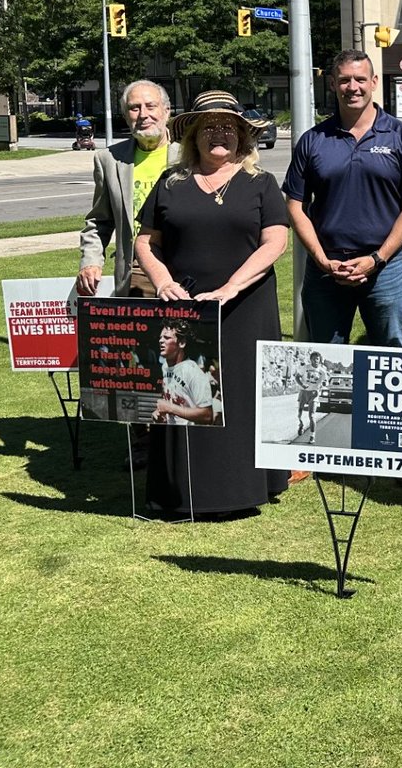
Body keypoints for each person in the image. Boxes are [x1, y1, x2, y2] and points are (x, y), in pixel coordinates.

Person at [135, 90, 290, 516]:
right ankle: (184, 493)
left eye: (227, 127)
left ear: (242, 136)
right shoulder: (172, 183)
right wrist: (163, 280)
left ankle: (248, 488)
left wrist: (231, 287)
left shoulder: (261, 183)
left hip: (245, 307)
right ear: (194, 137)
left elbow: (275, 241)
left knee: (242, 395)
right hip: (187, 310)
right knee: (187, 393)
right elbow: (146, 242)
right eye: (209, 127)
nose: (218, 134)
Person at [284, 50, 402, 347]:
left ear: (374, 82)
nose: (353, 87)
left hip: (385, 269)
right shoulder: (313, 140)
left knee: (391, 361)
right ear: (332, 85)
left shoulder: (400, 136)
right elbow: (295, 206)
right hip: (326, 272)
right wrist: (323, 260)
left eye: (360, 79)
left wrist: (377, 258)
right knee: (323, 360)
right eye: (344, 80)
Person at [77, 80, 178, 298]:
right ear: (126, 115)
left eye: (151, 106)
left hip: (182, 270)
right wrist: (91, 261)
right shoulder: (110, 160)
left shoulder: (189, 157)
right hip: (135, 273)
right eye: (134, 108)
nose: (143, 114)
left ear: (166, 111)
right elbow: (99, 221)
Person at [152, 321, 214, 426]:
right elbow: (172, 398)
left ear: (182, 343)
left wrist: (170, 408)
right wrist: (160, 414)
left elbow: (207, 415)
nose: (160, 341)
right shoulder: (165, 367)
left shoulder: (193, 372)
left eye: (166, 338)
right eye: (160, 337)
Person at [295, 350, 325, 443]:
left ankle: (312, 436)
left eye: (317, 359)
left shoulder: (322, 371)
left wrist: (322, 384)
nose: (315, 360)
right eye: (313, 359)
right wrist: (302, 384)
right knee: (299, 412)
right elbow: (297, 377)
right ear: (310, 359)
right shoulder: (305, 367)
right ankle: (301, 424)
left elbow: (325, 381)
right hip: (304, 392)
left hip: (314, 394)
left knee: (311, 415)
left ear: (319, 360)